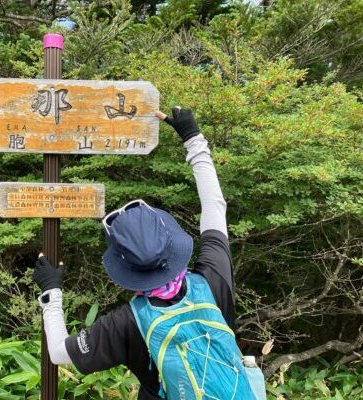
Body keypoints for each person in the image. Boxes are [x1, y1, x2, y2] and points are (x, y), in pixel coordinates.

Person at [32, 107, 264, 399]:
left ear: (123, 268)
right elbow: (215, 205)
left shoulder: (127, 322)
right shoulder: (212, 279)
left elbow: (57, 352)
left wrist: (51, 293)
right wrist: (192, 137)